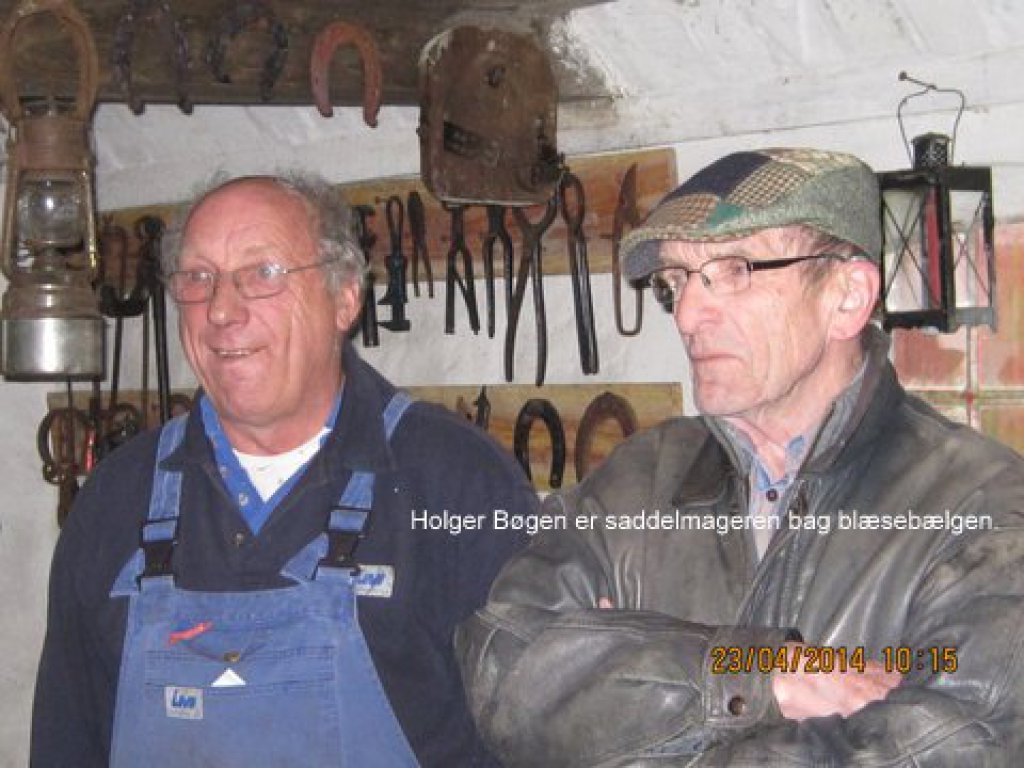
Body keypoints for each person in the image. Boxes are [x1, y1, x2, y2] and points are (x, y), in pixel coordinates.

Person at [455, 148, 1024, 766]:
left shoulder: (983, 508)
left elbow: (959, 748)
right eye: (676, 281)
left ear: (847, 297)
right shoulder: (636, 480)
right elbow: (501, 671)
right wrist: (759, 676)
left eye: (735, 270)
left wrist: (624, 702)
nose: (687, 315)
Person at [31, 174, 536, 767]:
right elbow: (65, 743)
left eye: (263, 272)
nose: (221, 309)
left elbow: (535, 740)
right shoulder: (118, 498)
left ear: (345, 298)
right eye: (197, 278)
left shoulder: (461, 487)